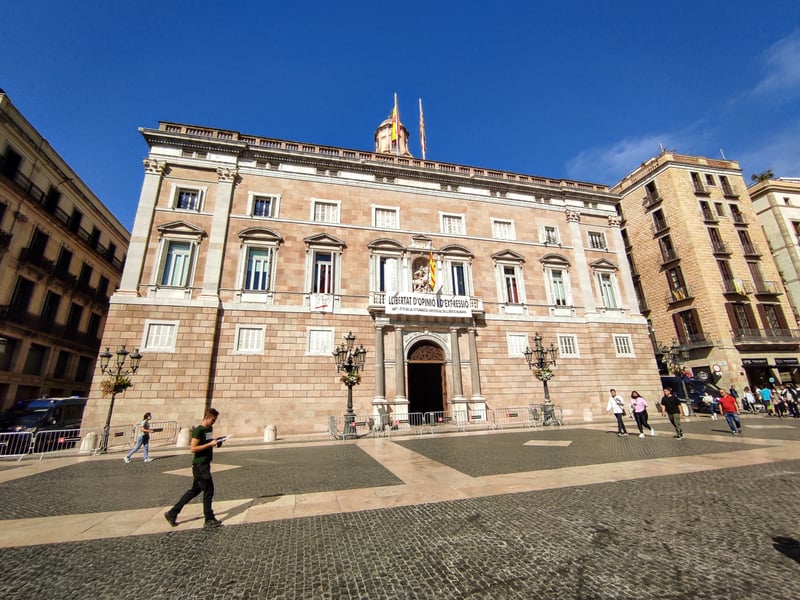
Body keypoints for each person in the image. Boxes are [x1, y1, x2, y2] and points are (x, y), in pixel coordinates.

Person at [164, 408, 225, 529]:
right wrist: (209, 444)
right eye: (212, 420)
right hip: (200, 466)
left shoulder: (208, 429)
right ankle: (209, 519)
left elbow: (207, 443)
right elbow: (193, 449)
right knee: (209, 491)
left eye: (215, 420)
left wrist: (217, 442)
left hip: (205, 464)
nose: (214, 422)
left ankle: (172, 513)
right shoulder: (198, 430)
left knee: (194, 491)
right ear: (206, 417)